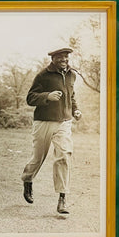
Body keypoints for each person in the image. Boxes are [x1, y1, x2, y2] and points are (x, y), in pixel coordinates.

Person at [21, 47, 82, 214]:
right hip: (43, 122)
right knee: (38, 158)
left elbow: (71, 95)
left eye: (66, 57)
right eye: (60, 57)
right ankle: (27, 179)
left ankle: (62, 199)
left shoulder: (72, 74)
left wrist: (75, 110)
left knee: (64, 155)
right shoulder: (43, 75)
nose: (64, 60)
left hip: (64, 122)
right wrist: (47, 96)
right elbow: (30, 98)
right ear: (53, 59)